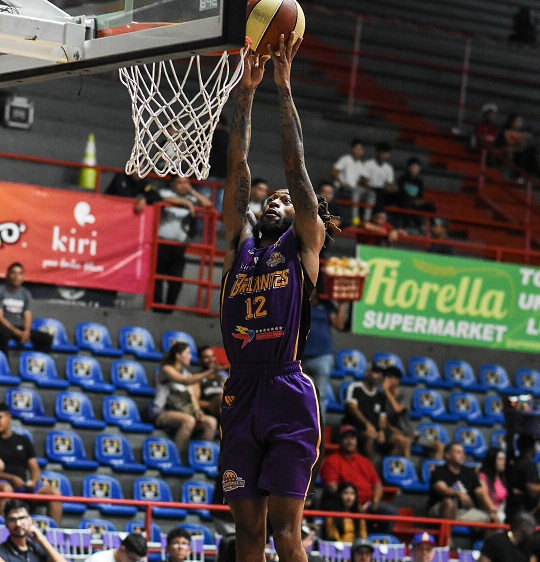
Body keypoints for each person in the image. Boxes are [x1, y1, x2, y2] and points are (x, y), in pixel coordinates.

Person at [219, 34, 332, 562]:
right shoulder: (239, 245)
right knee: (247, 534)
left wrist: (284, 90)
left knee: (286, 532)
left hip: (287, 390)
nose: (275, 200)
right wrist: (246, 93)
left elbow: (296, 167)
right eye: (271, 198)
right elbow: (238, 167)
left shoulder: (304, 245)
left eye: (286, 201)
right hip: (241, 388)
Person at [319, 425, 398, 534]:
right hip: (345, 504)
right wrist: (353, 504)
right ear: (340, 440)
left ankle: (376, 538)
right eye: (346, 438)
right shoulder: (332, 461)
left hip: (368, 505)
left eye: (352, 438)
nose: (350, 441)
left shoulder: (365, 461)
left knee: (389, 511)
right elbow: (332, 487)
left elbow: (377, 485)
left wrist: (374, 503)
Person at [154, 176, 213, 310]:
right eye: (179, 183)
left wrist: (192, 192)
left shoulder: (192, 198)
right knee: (157, 278)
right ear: (172, 184)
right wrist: (185, 203)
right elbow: (161, 199)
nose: (183, 185)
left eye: (186, 183)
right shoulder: (166, 193)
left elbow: (208, 205)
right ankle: (156, 309)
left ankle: (168, 310)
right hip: (162, 244)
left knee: (177, 281)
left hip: (179, 247)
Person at [151, 341, 217, 457]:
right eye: (187, 353)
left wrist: (197, 411)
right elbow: (185, 381)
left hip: (183, 412)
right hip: (162, 412)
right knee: (189, 420)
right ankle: (174, 457)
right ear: (178, 356)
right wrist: (209, 372)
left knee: (211, 422)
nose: (190, 356)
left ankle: (199, 457)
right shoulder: (166, 369)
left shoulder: (187, 373)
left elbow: (192, 397)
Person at [0, 404, 62, 524]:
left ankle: (54, 531)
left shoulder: (23, 440)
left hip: (23, 486)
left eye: (0, 417)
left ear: (9, 417)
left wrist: (33, 482)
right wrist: (11, 478)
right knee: (5, 489)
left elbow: (34, 468)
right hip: (3, 484)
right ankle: (3, 529)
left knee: (54, 493)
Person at [302, 286, 348, 420]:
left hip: (322, 357)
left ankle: (318, 428)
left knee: (320, 395)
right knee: (299, 395)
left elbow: (339, 325)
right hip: (300, 358)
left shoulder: (327, 305)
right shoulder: (298, 304)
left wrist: (342, 304)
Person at [382, 365, 444, 460]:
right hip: (392, 432)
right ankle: (408, 467)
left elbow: (397, 409)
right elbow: (383, 419)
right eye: (386, 377)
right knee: (405, 442)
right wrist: (393, 430)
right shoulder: (381, 397)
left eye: (390, 377)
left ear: (397, 380)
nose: (386, 380)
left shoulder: (404, 394)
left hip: (408, 431)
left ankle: (435, 468)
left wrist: (386, 391)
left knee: (439, 446)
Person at [427, 442, 498, 523]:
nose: (462, 455)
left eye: (463, 453)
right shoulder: (439, 471)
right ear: (448, 455)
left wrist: (492, 511)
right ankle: (447, 531)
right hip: (440, 508)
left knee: (492, 520)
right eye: (458, 452)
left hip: (464, 511)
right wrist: (459, 494)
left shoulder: (470, 473)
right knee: (449, 503)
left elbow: (481, 493)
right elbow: (442, 489)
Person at [342, 363, 403, 458]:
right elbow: (352, 408)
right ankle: (369, 466)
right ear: (367, 373)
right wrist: (367, 424)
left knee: (400, 440)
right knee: (370, 436)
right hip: (353, 428)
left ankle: (389, 466)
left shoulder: (380, 396)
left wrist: (381, 431)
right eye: (376, 372)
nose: (379, 376)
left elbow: (382, 418)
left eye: (381, 374)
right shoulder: (354, 387)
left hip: (374, 430)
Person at [0, 263, 53, 358]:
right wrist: (16, 331)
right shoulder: (1, 291)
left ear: (23, 277)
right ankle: (4, 365)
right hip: (5, 327)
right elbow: (0, 317)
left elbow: (27, 315)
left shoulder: (25, 294)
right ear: (7, 275)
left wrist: (26, 332)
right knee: (3, 334)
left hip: (19, 328)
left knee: (46, 338)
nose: (16, 276)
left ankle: (37, 362)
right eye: (13, 273)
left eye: (20, 273)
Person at [0, 499, 67, 562]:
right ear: (6, 523)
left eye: (22, 518)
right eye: (12, 520)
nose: (18, 524)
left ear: (30, 520)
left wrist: (42, 539)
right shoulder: (2, 552)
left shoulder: (37, 548)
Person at [331, 138, 365, 226]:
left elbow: (362, 180)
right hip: (341, 187)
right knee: (355, 193)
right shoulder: (345, 159)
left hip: (352, 190)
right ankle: (355, 219)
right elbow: (334, 172)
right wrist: (341, 183)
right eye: (357, 148)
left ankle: (363, 220)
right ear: (353, 149)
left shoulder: (360, 164)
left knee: (364, 193)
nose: (359, 151)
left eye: (361, 149)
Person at [506, 434, 540, 523]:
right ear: (532, 448)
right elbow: (532, 489)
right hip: (525, 514)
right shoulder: (528, 465)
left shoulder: (513, 462)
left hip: (513, 510)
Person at [395, 157, 436, 230]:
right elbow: (399, 193)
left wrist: (419, 201)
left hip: (416, 202)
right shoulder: (402, 179)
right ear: (409, 167)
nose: (416, 169)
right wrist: (411, 200)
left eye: (417, 167)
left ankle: (433, 225)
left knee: (431, 207)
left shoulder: (419, 182)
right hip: (404, 202)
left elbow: (420, 195)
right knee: (408, 205)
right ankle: (408, 226)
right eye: (414, 167)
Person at [360, 142, 396, 221]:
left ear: (388, 155)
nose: (383, 155)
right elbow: (364, 181)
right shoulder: (368, 164)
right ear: (377, 152)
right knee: (376, 194)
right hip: (369, 189)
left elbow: (390, 184)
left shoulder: (388, 168)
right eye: (381, 152)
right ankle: (370, 219)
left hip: (382, 191)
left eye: (385, 153)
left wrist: (391, 187)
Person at [192, 346, 227, 420]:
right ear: (200, 360)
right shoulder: (197, 379)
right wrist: (212, 405)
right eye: (207, 357)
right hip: (209, 411)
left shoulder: (221, 378)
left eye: (213, 356)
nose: (211, 359)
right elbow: (195, 401)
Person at [479, 448, 507, 522]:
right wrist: (493, 512)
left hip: (501, 512)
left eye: (504, 459)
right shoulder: (482, 477)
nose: (503, 462)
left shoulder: (502, 479)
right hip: (488, 513)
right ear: (492, 460)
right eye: (500, 459)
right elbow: (483, 497)